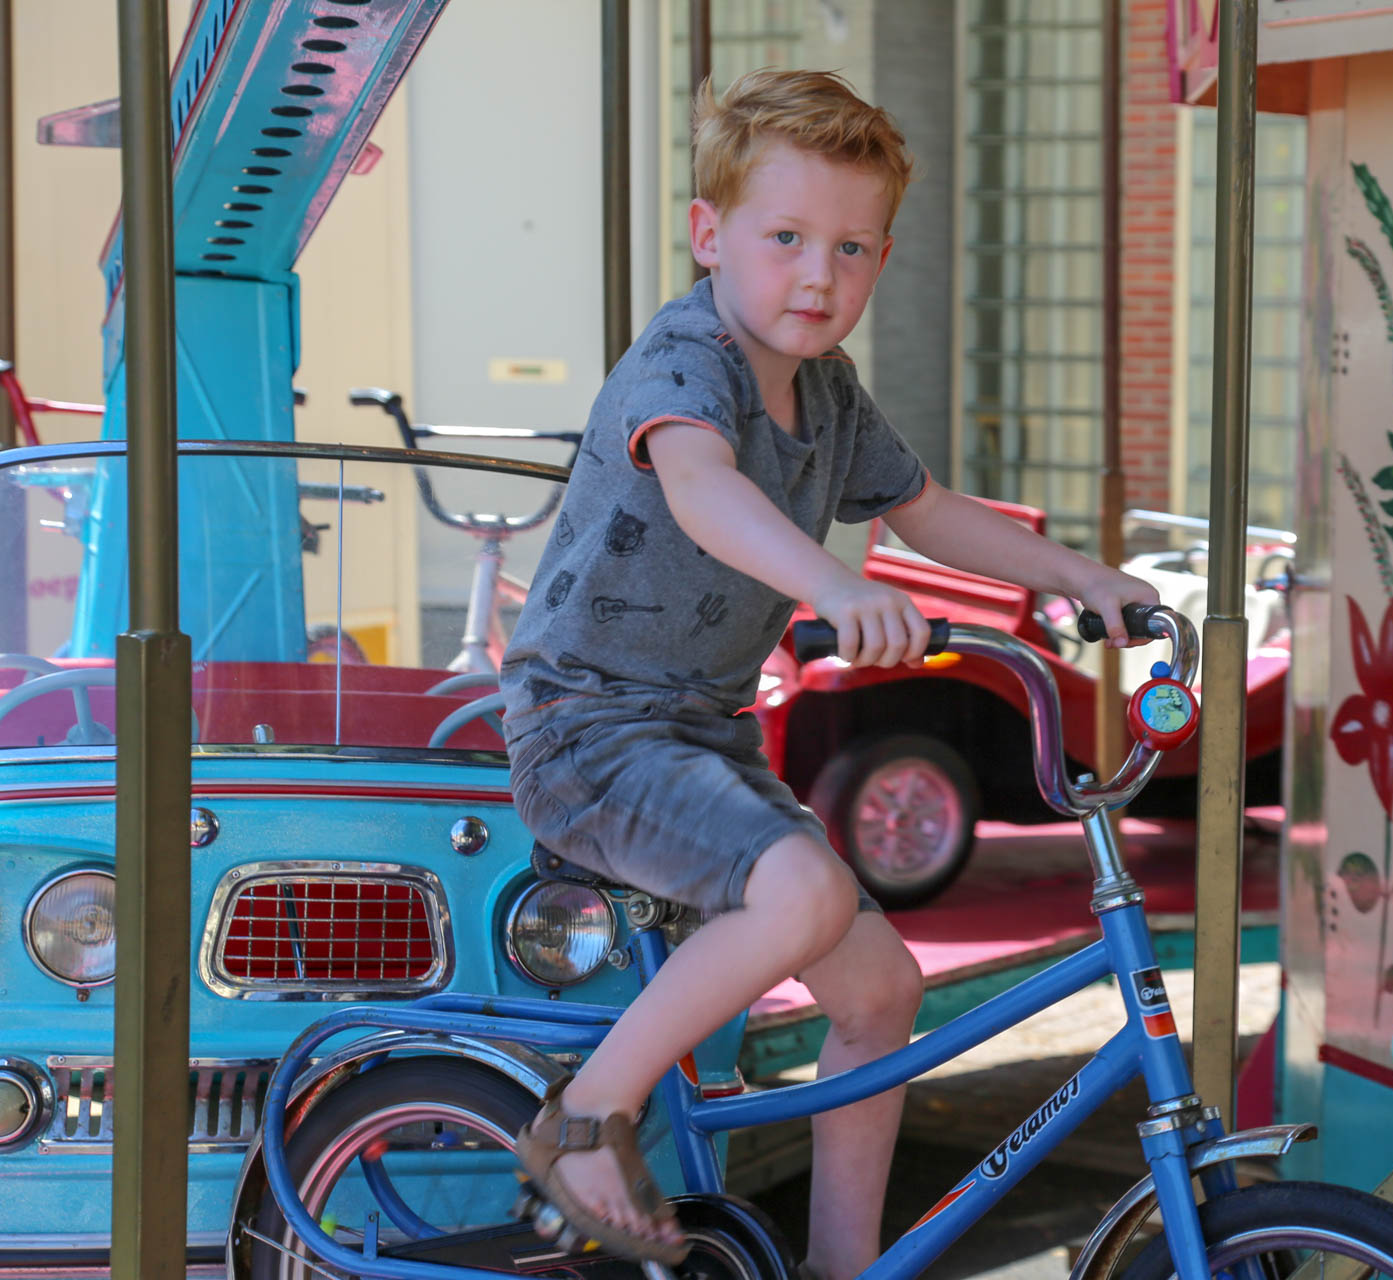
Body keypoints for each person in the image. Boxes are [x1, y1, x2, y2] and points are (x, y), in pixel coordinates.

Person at [499, 67, 1158, 1274]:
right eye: (787, 238)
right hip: (587, 726)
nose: (819, 275)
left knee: (881, 990)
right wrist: (835, 586)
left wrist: (1079, 574)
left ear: (883, 258)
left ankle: (841, 1263)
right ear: (709, 235)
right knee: (801, 893)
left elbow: (926, 508)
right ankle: (584, 1118)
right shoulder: (685, 362)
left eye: (851, 249)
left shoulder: (830, 393)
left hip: (701, 734)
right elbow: (702, 487)